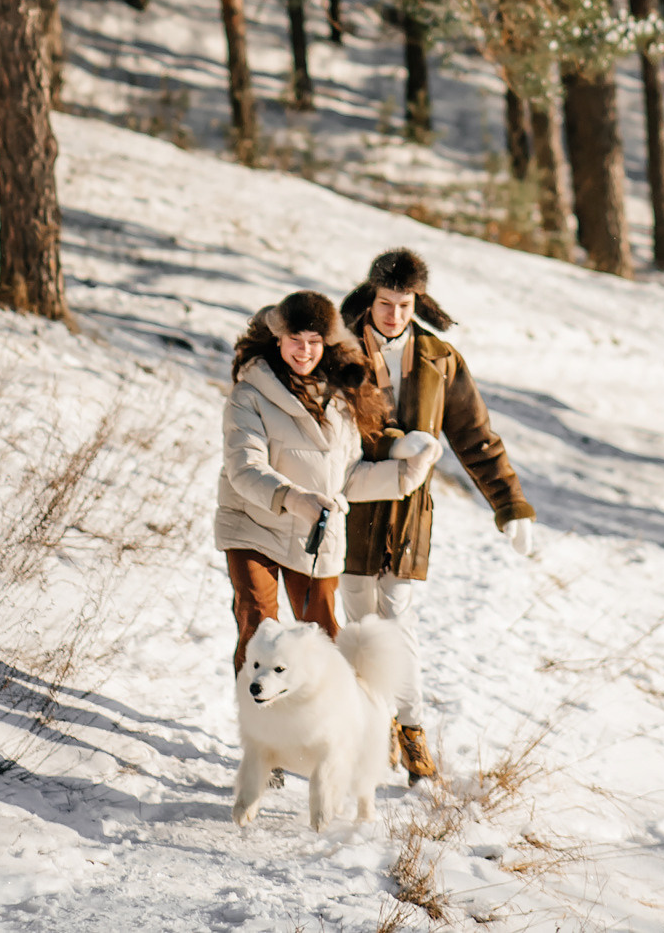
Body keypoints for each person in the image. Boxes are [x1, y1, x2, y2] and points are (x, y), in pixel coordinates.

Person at [340, 246, 535, 782]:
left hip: (408, 517)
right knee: (359, 623)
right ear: (370, 298)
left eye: (405, 305)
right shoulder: (341, 351)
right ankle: (369, 726)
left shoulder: (440, 359)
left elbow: (476, 436)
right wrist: (393, 445)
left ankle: (412, 731)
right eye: (385, 303)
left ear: (418, 302)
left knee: (397, 621)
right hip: (350, 507)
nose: (394, 316)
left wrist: (510, 504)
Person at [216, 287, 442, 677]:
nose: (303, 351)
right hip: (253, 526)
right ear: (278, 339)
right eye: (294, 341)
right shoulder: (249, 393)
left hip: (313, 536)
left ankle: (326, 726)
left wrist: (407, 474)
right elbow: (244, 468)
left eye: (313, 342)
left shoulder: (339, 400)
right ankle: (260, 729)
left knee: (322, 636)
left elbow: (347, 478)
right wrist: (292, 497)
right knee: (260, 629)